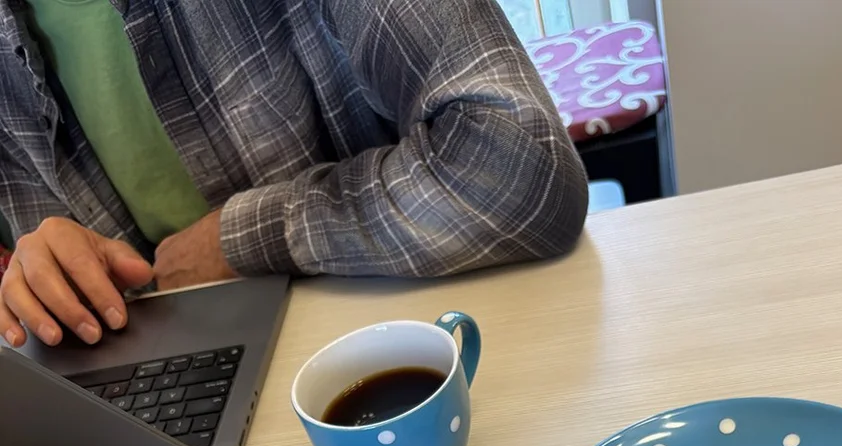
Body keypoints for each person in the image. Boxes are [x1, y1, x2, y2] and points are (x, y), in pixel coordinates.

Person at [0, 0, 588, 348]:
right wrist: (37, 284)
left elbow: (522, 170)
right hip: (165, 438)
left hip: (414, 342)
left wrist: (243, 239)